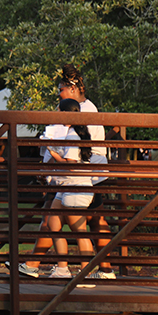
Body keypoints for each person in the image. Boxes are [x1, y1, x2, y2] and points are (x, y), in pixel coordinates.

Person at [44, 99, 107, 286]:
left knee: (79, 231)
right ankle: (62, 269)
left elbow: (71, 166)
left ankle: (86, 273)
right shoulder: (75, 132)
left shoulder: (74, 135)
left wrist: (52, 152)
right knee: (53, 224)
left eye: (60, 112)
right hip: (67, 187)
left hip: (77, 187)